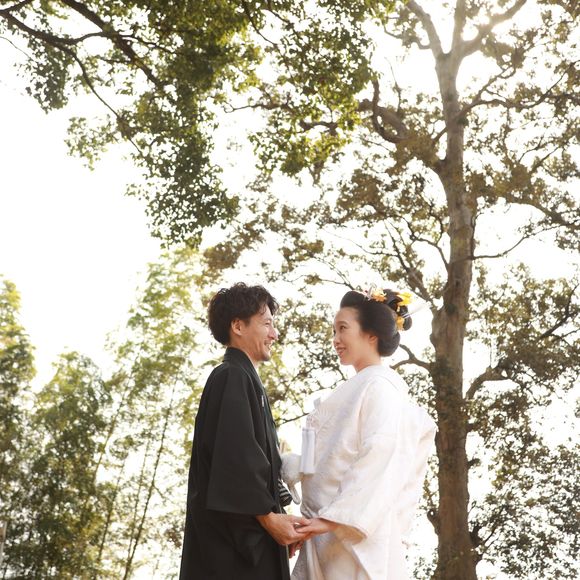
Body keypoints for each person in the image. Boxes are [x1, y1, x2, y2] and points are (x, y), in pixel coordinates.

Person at [286, 287, 437, 580]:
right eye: (334, 331)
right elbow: (328, 458)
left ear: (371, 335)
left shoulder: (381, 387)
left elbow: (380, 453)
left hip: (351, 534)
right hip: (324, 531)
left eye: (343, 328)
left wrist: (332, 519)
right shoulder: (360, 386)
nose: (335, 339)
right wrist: (292, 468)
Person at [179, 283, 310, 580]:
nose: (274, 334)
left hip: (250, 540)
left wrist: (278, 519)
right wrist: (268, 518)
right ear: (238, 326)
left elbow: (256, 466)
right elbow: (235, 459)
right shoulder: (231, 376)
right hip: (229, 552)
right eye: (267, 324)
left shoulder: (244, 379)